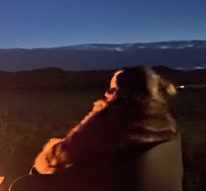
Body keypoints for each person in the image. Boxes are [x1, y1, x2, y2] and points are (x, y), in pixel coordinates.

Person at [33, 66, 178, 175]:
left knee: (39, 173)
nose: (107, 93)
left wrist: (53, 145)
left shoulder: (110, 121)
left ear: (127, 93)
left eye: (114, 88)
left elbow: (57, 157)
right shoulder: (167, 124)